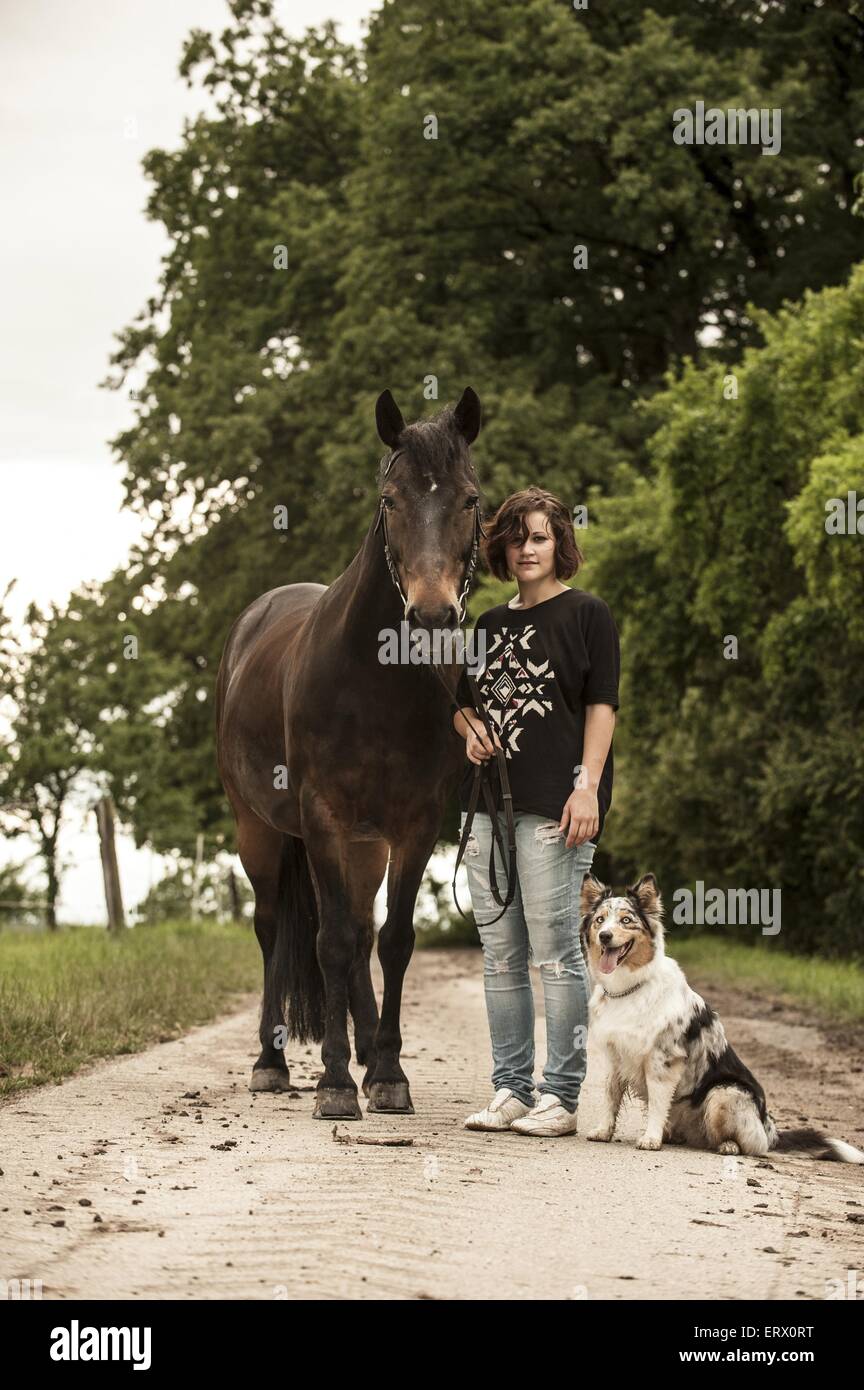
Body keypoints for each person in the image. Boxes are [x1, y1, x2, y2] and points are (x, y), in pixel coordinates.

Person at [451, 486, 620, 1137]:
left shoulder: (588, 615)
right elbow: (464, 703)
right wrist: (468, 729)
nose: (527, 548)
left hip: (557, 806)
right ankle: (511, 1089)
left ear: (560, 545)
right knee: (500, 954)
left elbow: (602, 706)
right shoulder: (489, 624)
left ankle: (562, 1095)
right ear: (502, 546)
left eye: (540, 536)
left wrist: (588, 786)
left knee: (555, 954)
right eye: (517, 537)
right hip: (489, 806)